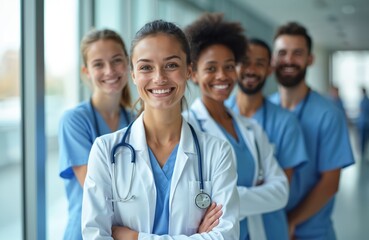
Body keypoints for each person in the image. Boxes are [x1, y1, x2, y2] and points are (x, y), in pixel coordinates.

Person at [81, 19, 240, 239]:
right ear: (134, 75)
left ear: (188, 70)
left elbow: (227, 235)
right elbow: (94, 235)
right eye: (146, 67)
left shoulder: (217, 152)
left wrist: (134, 237)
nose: (159, 78)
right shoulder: (105, 151)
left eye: (171, 65)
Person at [183, 13, 288, 240]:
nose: (222, 76)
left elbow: (281, 192)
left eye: (229, 66)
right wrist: (258, 192)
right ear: (193, 74)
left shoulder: (251, 128)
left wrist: (224, 199)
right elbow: (189, 200)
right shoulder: (185, 127)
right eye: (211, 68)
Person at [269, 22, 354, 239]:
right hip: (270, 228)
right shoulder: (265, 110)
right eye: (282, 53)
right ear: (273, 60)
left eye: (297, 53)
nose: (288, 60)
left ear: (310, 59)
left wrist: (291, 221)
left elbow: (330, 183)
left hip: (310, 231)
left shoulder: (328, 114)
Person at [225, 38, 308, 239]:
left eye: (259, 63)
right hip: (227, 228)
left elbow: (280, 189)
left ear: (270, 69)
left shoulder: (286, 122)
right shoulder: (219, 115)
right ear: (234, 66)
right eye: (244, 62)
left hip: (271, 227)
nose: (251, 69)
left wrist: (227, 194)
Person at [58, 29, 134, 240]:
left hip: (126, 231)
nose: (109, 71)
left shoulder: (136, 120)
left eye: (116, 61)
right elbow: (97, 190)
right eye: (98, 64)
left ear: (128, 64)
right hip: (85, 233)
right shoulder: (74, 121)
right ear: (87, 72)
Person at [357, 87, 369, 159]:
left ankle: (362, 153)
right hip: (366, 122)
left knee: (362, 138)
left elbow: (361, 110)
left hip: (363, 122)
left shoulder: (363, 101)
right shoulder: (367, 100)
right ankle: (364, 153)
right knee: (366, 139)